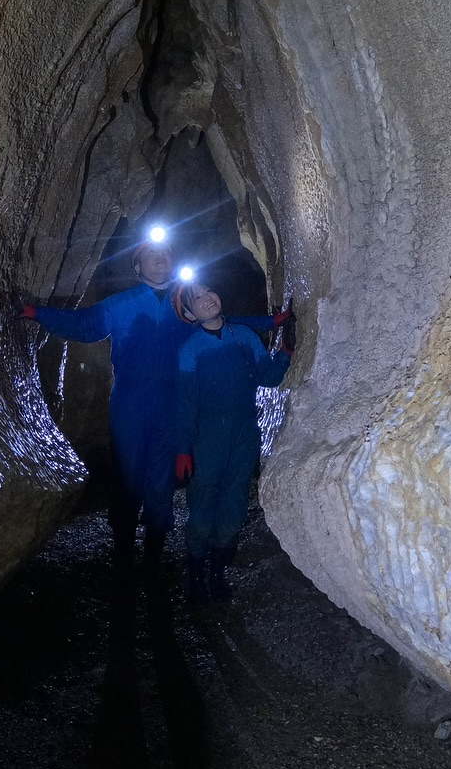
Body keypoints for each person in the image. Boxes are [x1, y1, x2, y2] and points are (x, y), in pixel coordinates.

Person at [18, 227, 277, 571]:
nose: (160, 257)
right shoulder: (121, 304)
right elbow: (84, 324)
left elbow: (225, 323)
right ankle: (123, 556)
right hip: (130, 404)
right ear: (138, 267)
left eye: (165, 252)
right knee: (127, 477)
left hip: (173, 403)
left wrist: (271, 321)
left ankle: (153, 559)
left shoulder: (185, 306)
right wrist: (38, 314)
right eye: (151, 254)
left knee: (161, 480)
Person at [171, 281, 293, 603]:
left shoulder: (245, 336)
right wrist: (183, 450)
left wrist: (285, 352)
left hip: (243, 436)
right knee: (202, 510)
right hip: (206, 440)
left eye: (207, 290)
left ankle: (217, 574)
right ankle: (195, 577)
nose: (206, 298)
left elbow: (268, 377)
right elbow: (185, 404)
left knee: (234, 507)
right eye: (196, 298)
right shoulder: (189, 350)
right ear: (189, 314)